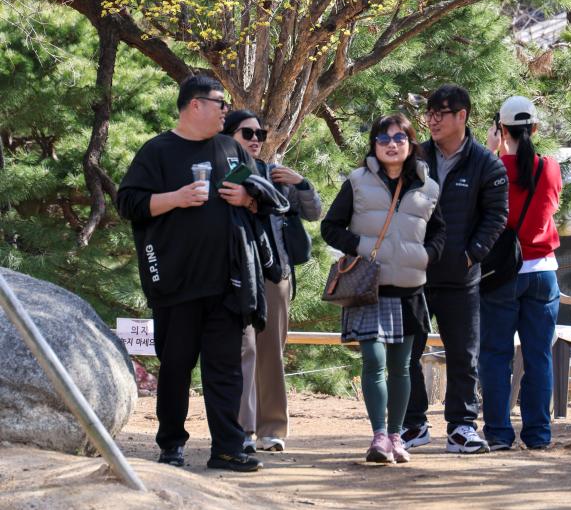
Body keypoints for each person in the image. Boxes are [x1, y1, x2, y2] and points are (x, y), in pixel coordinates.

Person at [117, 75, 285, 473]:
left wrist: (248, 198)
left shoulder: (230, 148)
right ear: (194, 105)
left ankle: (227, 448)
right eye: (219, 102)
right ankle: (171, 444)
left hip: (228, 282)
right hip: (176, 282)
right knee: (176, 367)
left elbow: (264, 197)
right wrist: (175, 198)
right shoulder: (157, 151)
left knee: (225, 369)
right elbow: (129, 202)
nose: (225, 109)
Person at [321, 113, 446, 464]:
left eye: (399, 138)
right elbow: (330, 227)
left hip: (408, 287)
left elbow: (440, 232)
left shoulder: (428, 187)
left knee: (403, 366)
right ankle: (378, 436)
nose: (392, 144)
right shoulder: (358, 181)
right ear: (374, 145)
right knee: (374, 361)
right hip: (369, 286)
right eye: (384, 138)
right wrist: (361, 246)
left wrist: (426, 255)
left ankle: (397, 437)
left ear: (411, 143)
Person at [401, 84, 508, 454]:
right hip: (414, 273)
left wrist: (471, 254)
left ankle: (462, 426)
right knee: (407, 350)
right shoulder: (415, 157)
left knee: (463, 353)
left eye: (440, 113)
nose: (431, 120)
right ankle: (412, 424)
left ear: (462, 116)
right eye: (428, 113)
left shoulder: (486, 163)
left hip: (460, 276)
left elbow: (496, 216)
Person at [222, 109, 323, 454]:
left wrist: (302, 183)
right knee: (244, 349)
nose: (254, 140)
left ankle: (272, 429)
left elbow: (314, 212)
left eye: (259, 135)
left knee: (270, 353)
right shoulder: (219, 174)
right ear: (227, 136)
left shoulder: (275, 175)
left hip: (274, 273)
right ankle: (243, 430)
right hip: (234, 275)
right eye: (246, 133)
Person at [479, 95, 562, 450]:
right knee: (538, 357)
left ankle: (498, 433)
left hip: (501, 274)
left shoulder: (491, 168)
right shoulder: (551, 168)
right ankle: (538, 435)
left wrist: (490, 150)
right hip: (543, 272)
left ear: (501, 129)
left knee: (496, 355)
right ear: (536, 128)